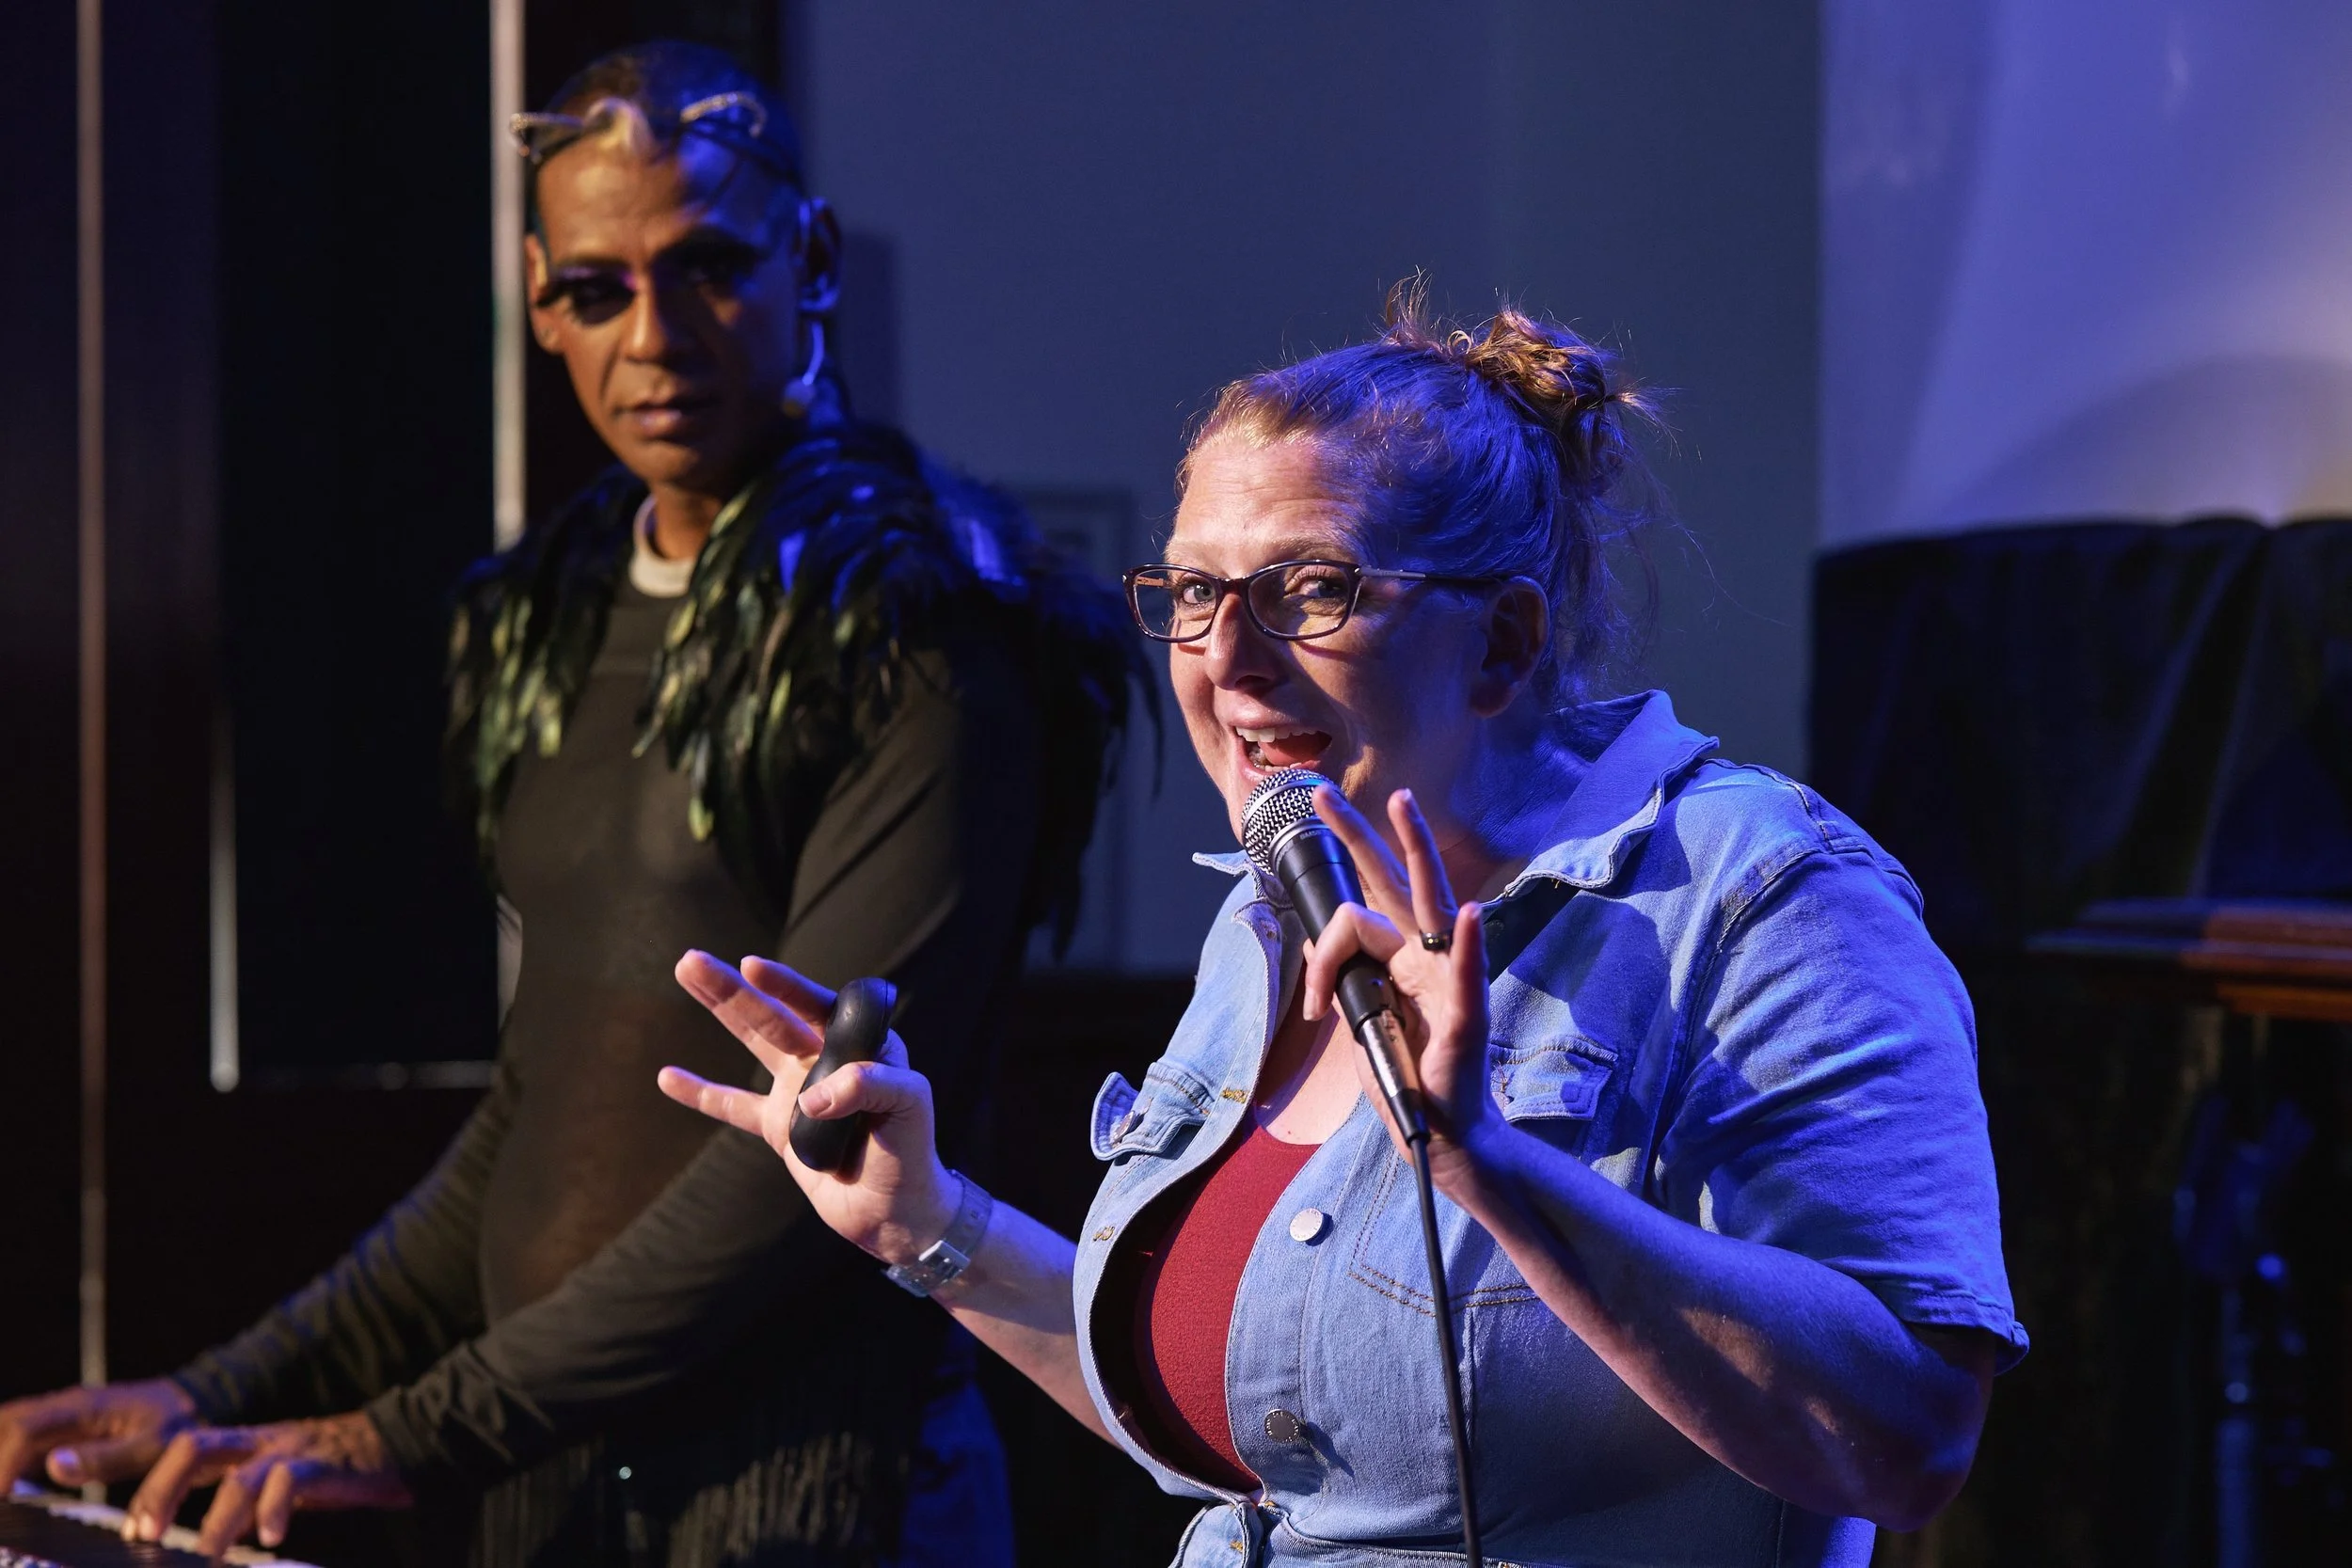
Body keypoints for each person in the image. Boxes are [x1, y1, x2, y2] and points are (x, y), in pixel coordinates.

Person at [660, 287, 2028, 1567]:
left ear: (1502, 641)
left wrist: (1496, 1168)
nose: (1227, 660)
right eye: (1194, 594)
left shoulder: (1762, 898)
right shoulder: (1271, 911)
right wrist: (928, 1223)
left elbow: (1911, 1438)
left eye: (1311, 590)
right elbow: (1279, 1441)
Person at [0, 40, 1141, 1566]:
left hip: (820, 1503)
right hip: (559, 1495)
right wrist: (217, 1392)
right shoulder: (550, 617)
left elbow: (813, 1161)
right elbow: (540, 1125)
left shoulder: (924, 628)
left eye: (709, 267)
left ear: (810, 262)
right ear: (541, 301)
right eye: (599, 289)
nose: (655, 336)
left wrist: (410, 1431)